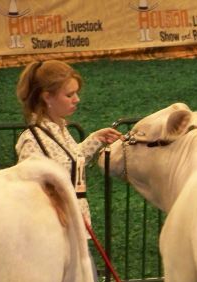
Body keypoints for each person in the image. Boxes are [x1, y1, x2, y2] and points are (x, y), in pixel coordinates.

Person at [15, 59, 122, 226]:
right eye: (69, 95)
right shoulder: (32, 139)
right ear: (47, 97)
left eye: (76, 93)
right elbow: (27, 188)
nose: (77, 99)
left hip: (74, 221)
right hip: (52, 226)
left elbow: (69, 162)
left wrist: (95, 140)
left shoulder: (61, 130)